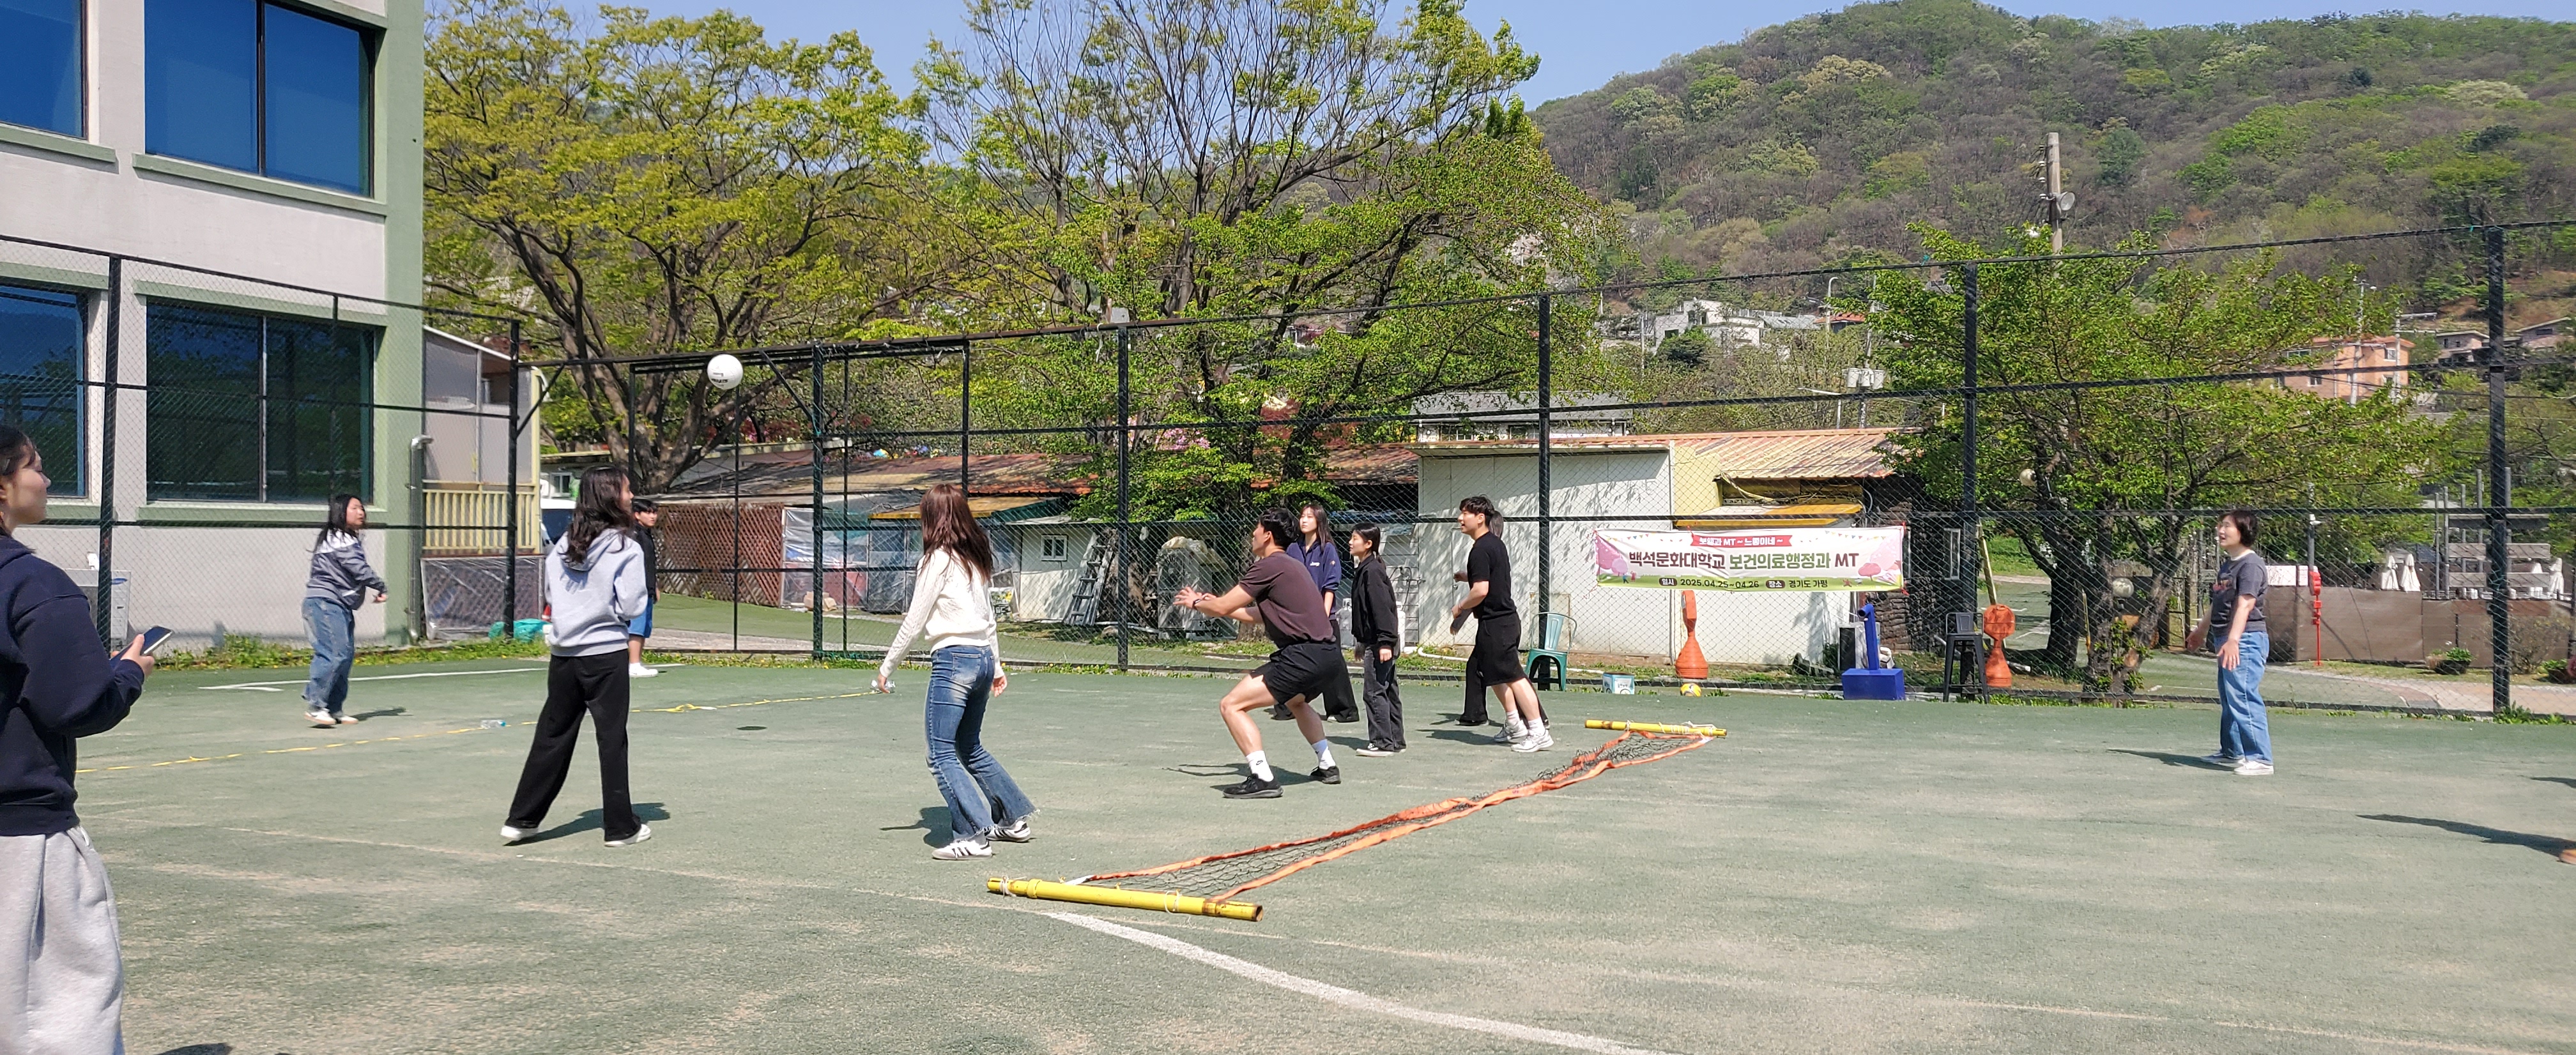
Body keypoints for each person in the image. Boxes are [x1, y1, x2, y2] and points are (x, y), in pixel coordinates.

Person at [0, 424, 153, 1052]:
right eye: (35, 464)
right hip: (23, 836)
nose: (47, 477)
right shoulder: (33, 583)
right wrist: (128, 672)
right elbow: (79, 702)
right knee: (66, 1008)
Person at [874, 484, 1036, 861]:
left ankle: (972, 835)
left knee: (940, 753)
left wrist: (886, 667)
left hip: (954, 660)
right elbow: (989, 621)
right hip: (980, 658)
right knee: (969, 746)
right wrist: (995, 666)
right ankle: (1012, 819)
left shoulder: (936, 560)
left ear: (930, 518)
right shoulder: (973, 561)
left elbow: (915, 620)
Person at [504, 466, 654, 847]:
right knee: (611, 739)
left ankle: (522, 819)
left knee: (552, 736)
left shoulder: (562, 545)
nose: (631, 495)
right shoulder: (627, 546)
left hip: (564, 657)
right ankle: (620, 827)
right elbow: (635, 604)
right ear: (611, 498)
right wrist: (611, 613)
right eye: (626, 489)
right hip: (605, 655)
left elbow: (553, 598)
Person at [1173, 509, 1347, 799]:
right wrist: (1220, 605)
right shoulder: (1292, 566)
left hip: (1302, 656)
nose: (1253, 534)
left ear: (1267, 535)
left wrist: (1198, 603)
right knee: (1297, 702)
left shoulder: (1268, 566)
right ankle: (1327, 765)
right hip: (1329, 656)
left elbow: (1221, 608)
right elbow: (1261, 614)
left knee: (1232, 705)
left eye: (1256, 529)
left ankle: (1263, 778)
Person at [1448, 496, 1551, 752]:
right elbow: (1486, 578)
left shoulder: (1481, 548)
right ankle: (1514, 725)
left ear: (1480, 518)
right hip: (1493, 623)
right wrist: (1467, 576)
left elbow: (1481, 590)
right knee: (1492, 674)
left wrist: (1461, 606)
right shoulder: (1491, 545)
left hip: (1499, 624)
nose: (1460, 519)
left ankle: (1538, 731)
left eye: (1465, 514)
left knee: (1514, 676)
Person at [2184, 510, 2273, 777]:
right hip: (2226, 638)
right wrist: (2201, 630)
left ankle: (2261, 758)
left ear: (2243, 531)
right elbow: (2218, 602)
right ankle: (2232, 752)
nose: (2220, 531)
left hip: (2245, 639)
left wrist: (2234, 640)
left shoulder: (2251, 565)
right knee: (2230, 697)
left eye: (2227, 527)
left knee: (2243, 696)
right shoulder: (2228, 565)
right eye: (2220, 526)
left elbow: (2245, 604)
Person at [302, 493, 387, 727]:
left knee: (345, 656)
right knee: (335, 653)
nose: (361, 513)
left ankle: (334, 708)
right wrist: (380, 586)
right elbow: (359, 569)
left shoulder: (344, 538)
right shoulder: (339, 537)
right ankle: (317, 705)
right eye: (355, 508)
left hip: (338, 604)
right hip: (324, 603)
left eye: (362, 508)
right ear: (341, 512)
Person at [1275, 501, 1360, 723]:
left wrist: (1322, 617)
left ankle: (1344, 710)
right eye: (1302, 516)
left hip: (1323, 619)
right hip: (1297, 619)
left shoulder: (1327, 549)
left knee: (1333, 663)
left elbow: (1329, 587)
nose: (1304, 520)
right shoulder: (1293, 549)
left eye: (1309, 517)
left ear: (1319, 521)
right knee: (1294, 660)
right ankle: (1287, 706)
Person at [1348, 524, 1406, 756]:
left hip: (1381, 642)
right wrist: (1362, 642)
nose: (1350, 542)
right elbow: (1366, 611)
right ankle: (1395, 739)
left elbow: (1382, 609)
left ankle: (1382, 741)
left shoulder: (1372, 571)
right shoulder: (1367, 569)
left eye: (1355, 538)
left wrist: (1384, 643)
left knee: (1374, 691)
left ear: (1368, 544)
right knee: (1388, 689)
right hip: (1375, 641)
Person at [625, 498, 660, 679]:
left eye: (654, 512)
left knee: (645, 627)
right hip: (637, 589)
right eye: (648, 512)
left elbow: (649, 565)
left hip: (648, 588)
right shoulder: (634, 535)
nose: (653, 516)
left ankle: (637, 661)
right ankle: (633, 664)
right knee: (636, 628)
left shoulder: (647, 535)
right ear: (637, 515)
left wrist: (655, 587)